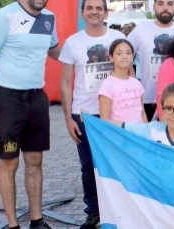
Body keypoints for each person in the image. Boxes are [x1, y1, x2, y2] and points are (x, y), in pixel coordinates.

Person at [0, 0, 61, 228]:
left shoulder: (49, 18)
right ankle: (13, 224)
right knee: (9, 163)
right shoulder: (5, 16)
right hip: (8, 100)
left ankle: (37, 220)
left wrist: (85, 54)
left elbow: (55, 51)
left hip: (37, 98)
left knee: (35, 160)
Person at [58, 0, 125, 227]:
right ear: (83, 12)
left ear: (105, 12)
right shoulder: (72, 43)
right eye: (90, 8)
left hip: (115, 113)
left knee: (117, 164)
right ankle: (94, 213)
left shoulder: (116, 37)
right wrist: (68, 118)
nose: (94, 12)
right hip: (84, 115)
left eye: (99, 8)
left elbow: (129, 73)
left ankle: (119, 211)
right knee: (88, 167)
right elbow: (66, 83)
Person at [112, 83, 174, 154]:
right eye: (169, 108)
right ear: (162, 109)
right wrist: (97, 124)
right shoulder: (153, 129)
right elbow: (122, 126)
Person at [127, 0, 174, 121]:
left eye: (170, 4)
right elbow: (124, 56)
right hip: (146, 99)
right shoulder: (140, 30)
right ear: (154, 7)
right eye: (160, 3)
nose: (165, 8)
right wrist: (133, 81)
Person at [99, 39, 146, 124]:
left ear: (132, 56)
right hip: (120, 135)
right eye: (119, 53)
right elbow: (104, 120)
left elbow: (142, 112)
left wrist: (146, 132)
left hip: (139, 134)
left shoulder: (137, 83)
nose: (124, 56)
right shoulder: (108, 85)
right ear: (111, 58)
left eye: (128, 53)